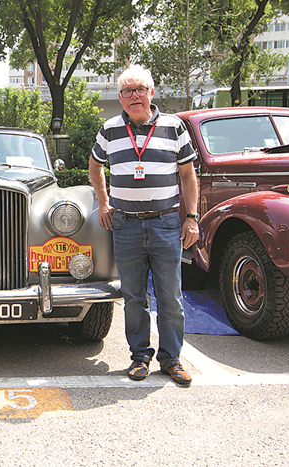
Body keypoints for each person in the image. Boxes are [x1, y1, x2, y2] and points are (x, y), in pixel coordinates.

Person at [89, 65, 199, 387]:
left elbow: (188, 175)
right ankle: (139, 357)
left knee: (170, 296)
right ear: (120, 98)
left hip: (166, 223)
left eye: (140, 89)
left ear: (151, 93)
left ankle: (171, 359)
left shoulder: (174, 127)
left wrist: (191, 218)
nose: (134, 96)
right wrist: (104, 202)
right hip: (125, 225)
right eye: (127, 91)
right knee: (134, 296)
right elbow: (95, 166)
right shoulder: (109, 129)